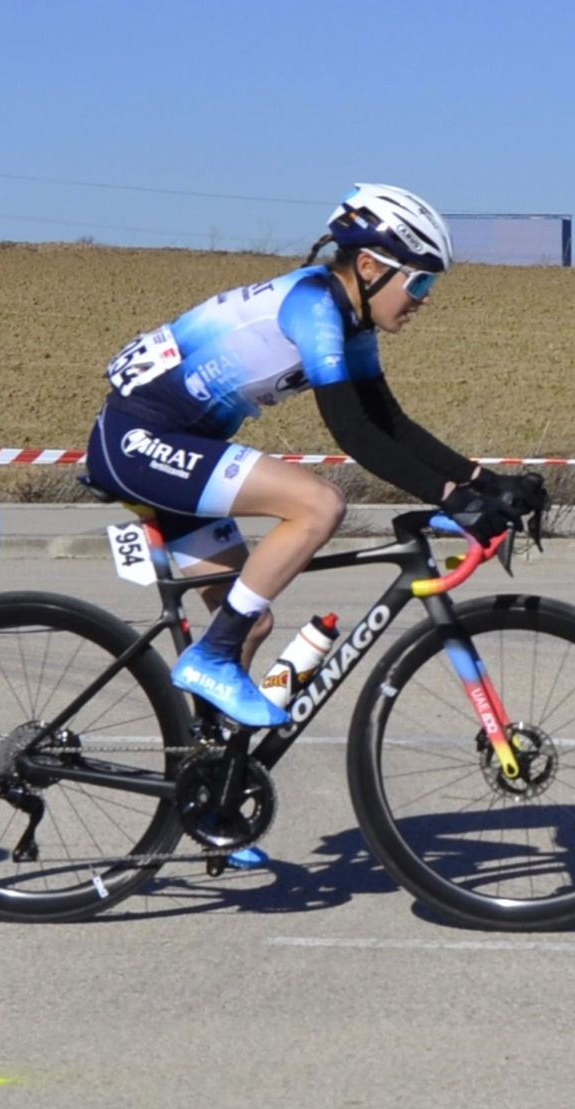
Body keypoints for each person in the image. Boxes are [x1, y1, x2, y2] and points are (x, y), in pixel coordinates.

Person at [85, 184, 545, 728]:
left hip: (179, 447)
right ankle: (212, 656)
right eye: (419, 280)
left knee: (251, 622)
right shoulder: (314, 307)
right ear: (370, 267)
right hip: (138, 441)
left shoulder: (350, 320)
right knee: (318, 505)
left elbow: (388, 422)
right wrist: (454, 499)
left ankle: (208, 759)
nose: (424, 297)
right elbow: (353, 432)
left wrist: (484, 482)